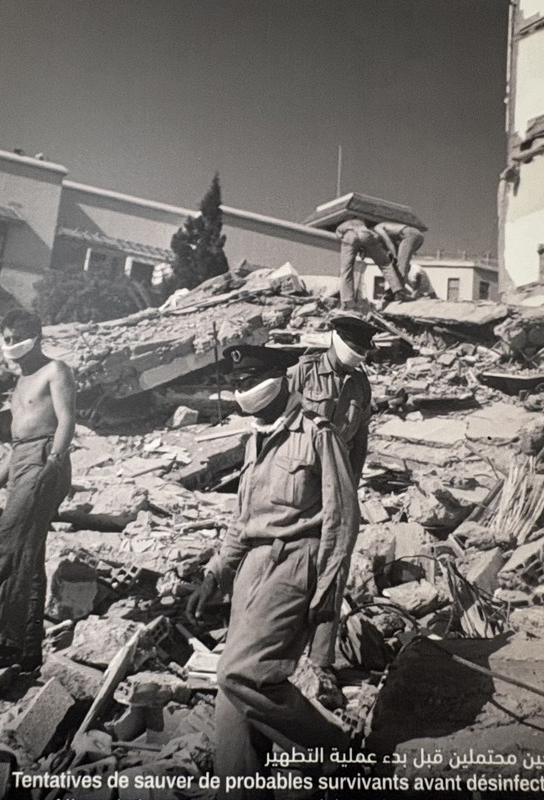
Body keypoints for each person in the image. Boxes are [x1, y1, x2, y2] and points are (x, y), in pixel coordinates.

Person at [186, 345, 360, 795]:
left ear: (280, 380)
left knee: (243, 674)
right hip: (251, 566)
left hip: (295, 561)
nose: (244, 391)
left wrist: (327, 595)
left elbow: (342, 519)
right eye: (237, 384)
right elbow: (241, 522)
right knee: (231, 696)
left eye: (251, 380)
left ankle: (335, 748)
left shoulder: (319, 433)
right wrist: (214, 575)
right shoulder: (254, 439)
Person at [0, 310, 75, 672]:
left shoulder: (55, 370)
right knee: (28, 552)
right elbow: (18, 446)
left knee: (3, 545)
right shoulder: (21, 382)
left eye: (17, 338)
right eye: (6, 338)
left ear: (37, 336)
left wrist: (55, 463)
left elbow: (66, 420)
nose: (10, 345)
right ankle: (27, 649)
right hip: (24, 460)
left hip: (46, 458)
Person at [287, 314, 376, 700]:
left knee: (333, 569)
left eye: (363, 353)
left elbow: (360, 445)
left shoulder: (361, 384)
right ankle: (282, 651)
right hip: (298, 487)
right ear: (336, 340)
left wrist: (349, 492)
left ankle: (320, 660)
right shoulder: (302, 372)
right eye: (353, 349)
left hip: (336, 490)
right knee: (294, 565)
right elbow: (276, 426)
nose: (357, 358)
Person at [335, 218, 409, 310]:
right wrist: (363, 248)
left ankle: (348, 301)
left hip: (349, 236)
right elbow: (366, 237)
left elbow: (341, 237)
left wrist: (355, 247)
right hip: (366, 234)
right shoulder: (362, 223)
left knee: (346, 270)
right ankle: (398, 290)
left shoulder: (340, 228)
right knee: (385, 264)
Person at [373, 221, 425, 287]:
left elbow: (388, 242)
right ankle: (413, 288)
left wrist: (395, 258)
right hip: (418, 236)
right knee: (403, 268)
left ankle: (400, 292)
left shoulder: (377, 228)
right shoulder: (389, 230)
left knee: (400, 268)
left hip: (409, 234)